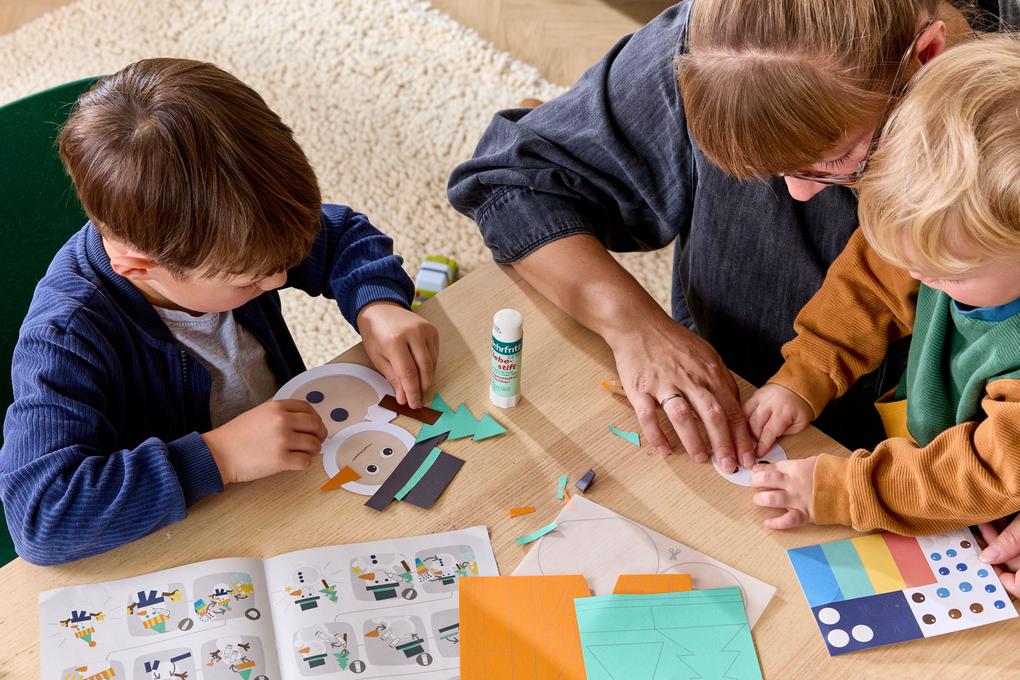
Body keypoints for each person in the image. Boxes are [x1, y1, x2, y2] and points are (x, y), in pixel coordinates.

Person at [448, 0, 1016, 474]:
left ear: (928, 56)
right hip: (763, 400)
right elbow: (511, 181)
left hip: (974, 464)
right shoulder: (727, 46)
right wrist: (635, 327)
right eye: (770, 172)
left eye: (835, 160)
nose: (797, 193)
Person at [0, 58, 438, 565]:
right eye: (249, 280)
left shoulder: (236, 236)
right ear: (138, 267)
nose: (277, 280)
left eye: (282, 265)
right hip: (197, 533)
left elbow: (340, 235)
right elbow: (40, 518)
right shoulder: (66, 334)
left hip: (296, 471)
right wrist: (219, 456)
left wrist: (377, 305)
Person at [744, 36, 1020, 540]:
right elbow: (867, 287)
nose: (915, 277)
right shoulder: (942, 243)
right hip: (932, 464)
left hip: (974, 493)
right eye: (903, 256)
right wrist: (805, 374)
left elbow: (987, 472)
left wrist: (846, 491)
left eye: (947, 274)